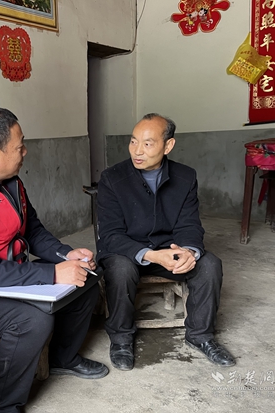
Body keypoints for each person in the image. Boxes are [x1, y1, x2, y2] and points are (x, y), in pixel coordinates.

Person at [0, 108, 108, 413]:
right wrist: (53, 274)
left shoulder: (11, 182)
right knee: (33, 322)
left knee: (86, 278)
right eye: (20, 146)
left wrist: (66, 255)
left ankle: (63, 358)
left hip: (10, 273)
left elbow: (33, 231)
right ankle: (3, 405)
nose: (25, 151)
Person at [96, 113, 235, 371]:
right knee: (121, 269)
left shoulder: (185, 177)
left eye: (148, 143)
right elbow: (111, 234)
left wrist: (189, 251)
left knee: (209, 264)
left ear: (168, 145)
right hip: (125, 251)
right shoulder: (112, 178)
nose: (137, 151)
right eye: (133, 141)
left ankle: (200, 336)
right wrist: (149, 254)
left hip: (168, 250)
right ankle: (121, 338)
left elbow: (189, 224)